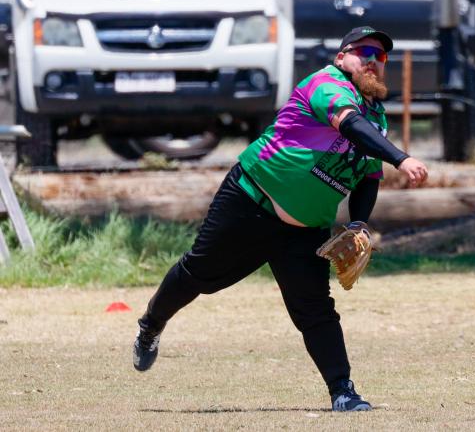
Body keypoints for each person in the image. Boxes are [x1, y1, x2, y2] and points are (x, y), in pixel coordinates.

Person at [133, 25, 429, 411]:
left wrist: (359, 223)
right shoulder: (327, 85)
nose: (373, 60)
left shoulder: (377, 116)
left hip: (304, 229)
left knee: (316, 310)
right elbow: (350, 126)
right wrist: (402, 158)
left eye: (381, 56)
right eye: (363, 51)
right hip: (251, 200)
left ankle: (343, 392)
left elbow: (368, 176)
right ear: (342, 58)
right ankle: (151, 324)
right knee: (198, 275)